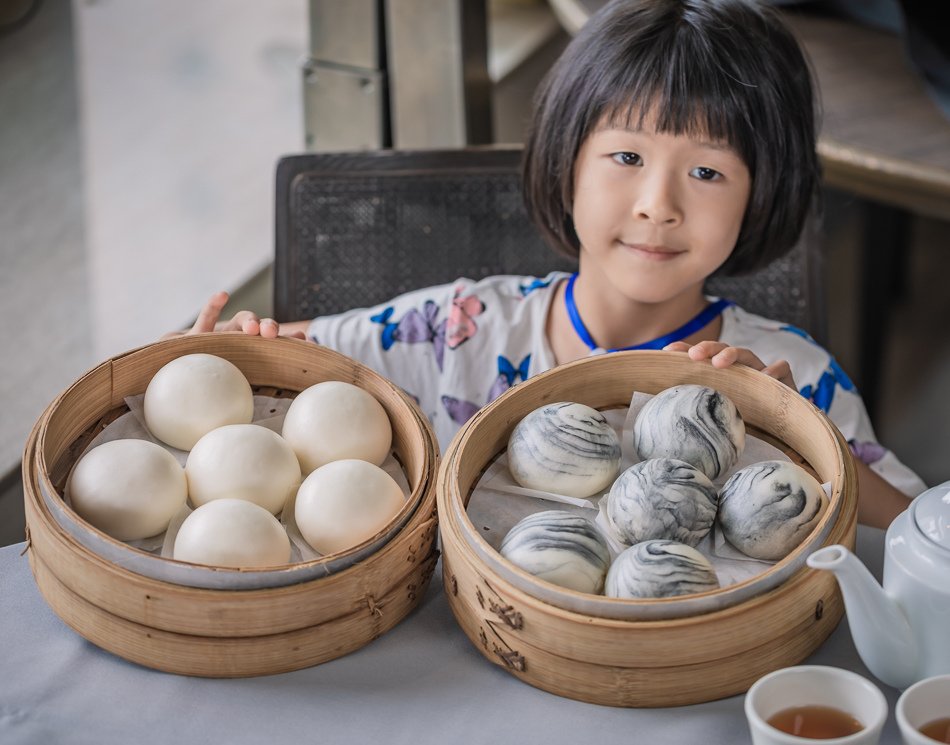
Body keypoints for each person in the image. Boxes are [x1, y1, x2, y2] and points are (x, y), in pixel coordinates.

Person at [171, 0, 925, 528]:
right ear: (567, 163)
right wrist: (231, 360)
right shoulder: (457, 330)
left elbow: (925, 544)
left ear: (762, 194)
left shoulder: (794, 375)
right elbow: (290, 362)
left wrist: (796, 439)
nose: (657, 204)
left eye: (707, 172)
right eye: (626, 156)